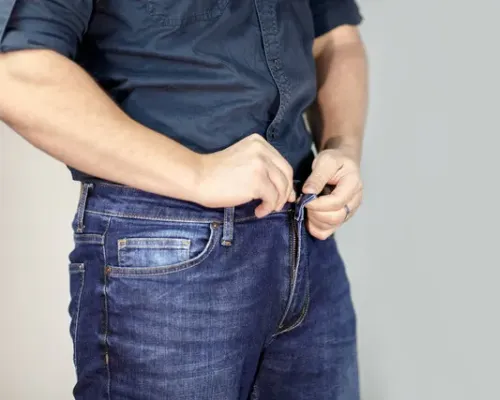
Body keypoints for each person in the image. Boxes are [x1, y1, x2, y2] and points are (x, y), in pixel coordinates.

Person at [0, 0, 367, 398]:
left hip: (308, 242)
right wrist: (196, 172)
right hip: (167, 246)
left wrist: (343, 148)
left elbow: (335, 38)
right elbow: (16, 71)